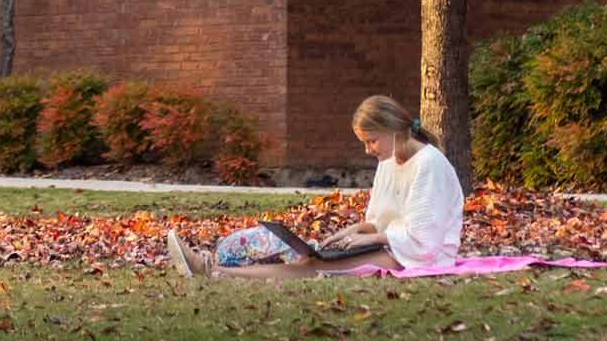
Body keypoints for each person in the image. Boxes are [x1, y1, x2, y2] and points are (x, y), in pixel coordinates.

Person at [165, 95, 464, 281]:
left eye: (371, 140)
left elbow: (425, 241)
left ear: (392, 131)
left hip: (412, 257)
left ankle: (211, 271)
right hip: (390, 246)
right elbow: (378, 220)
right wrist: (352, 232)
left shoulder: (429, 165)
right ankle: (214, 264)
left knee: (313, 267)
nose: (367, 150)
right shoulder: (388, 160)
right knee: (309, 255)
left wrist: (370, 240)